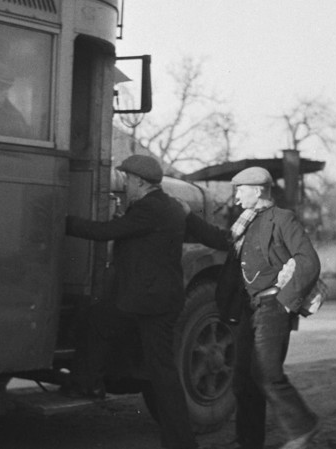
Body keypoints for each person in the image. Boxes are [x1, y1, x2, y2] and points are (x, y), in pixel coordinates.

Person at [64, 154, 198, 449]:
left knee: (161, 374)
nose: (124, 185)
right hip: (153, 300)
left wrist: (65, 222)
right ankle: (87, 383)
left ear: (139, 182)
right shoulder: (169, 206)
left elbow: (105, 233)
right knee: (97, 318)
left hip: (148, 305)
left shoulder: (148, 209)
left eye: (127, 180)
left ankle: (182, 442)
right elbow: (135, 233)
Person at [185, 167, 320, 449]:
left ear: (258, 190)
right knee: (243, 380)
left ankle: (303, 425)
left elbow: (309, 262)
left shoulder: (282, 219)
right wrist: (186, 217)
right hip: (249, 308)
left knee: (266, 373)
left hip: (273, 305)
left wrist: (284, 303)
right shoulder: (244, 224)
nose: (235, 198)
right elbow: (219, 239)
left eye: (240, 190)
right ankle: (249, 443)